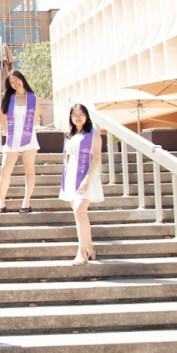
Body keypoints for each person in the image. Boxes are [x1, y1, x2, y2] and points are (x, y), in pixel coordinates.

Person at [59, 103, 104, 266]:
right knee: (80, 214)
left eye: (81, 114)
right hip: (71, 176)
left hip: (86, 175)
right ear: (71, 118)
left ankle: (82, 252)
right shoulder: (69, 136)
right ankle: (90, 247)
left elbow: (97, 158)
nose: (78, 117)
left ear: (86, 116)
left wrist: (87, 178)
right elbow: (68, 158)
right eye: (74, 115)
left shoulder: (93, 134)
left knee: (79, 210)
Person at [0, 71, 40, 214]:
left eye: (17, 80)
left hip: (28, 136)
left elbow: (36, 119)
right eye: (12, 82)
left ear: (22, 79)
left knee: (29, 169)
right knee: (5, 169)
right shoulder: (8, 97)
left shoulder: (33, 98)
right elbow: (1, 117)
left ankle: (27, 202)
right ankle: (1, 202)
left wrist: (26, 127)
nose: (15, 83)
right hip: (12, 137)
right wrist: (6, 130)